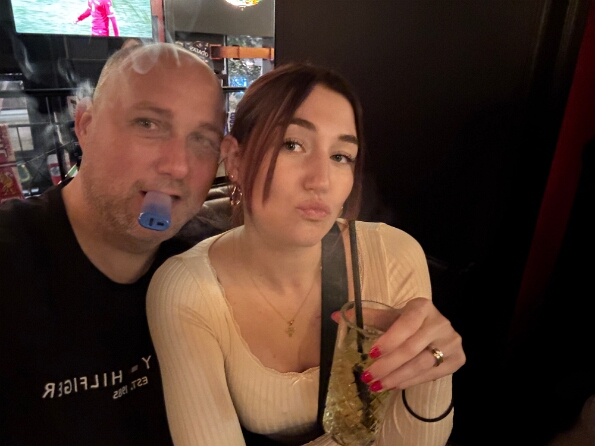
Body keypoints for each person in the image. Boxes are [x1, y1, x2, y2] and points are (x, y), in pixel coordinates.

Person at [147, 63, 466, 445]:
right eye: (292, 145)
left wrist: (433, 370)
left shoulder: (394, 257)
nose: (321, 180)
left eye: (341, 156)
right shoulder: (188, 290)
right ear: (235, 159)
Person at [0, 42, 225, 445]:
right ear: (85, 125)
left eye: (203, 139)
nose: (177, 165)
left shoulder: (211, 262)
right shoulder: (10, 257)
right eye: (148, 124)